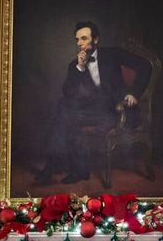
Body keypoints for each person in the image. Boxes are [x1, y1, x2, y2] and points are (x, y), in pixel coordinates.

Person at [35, 21, 152, 185]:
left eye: (84, 38)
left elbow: (145, 65)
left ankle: (55, 164)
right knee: (64, 108)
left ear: (95, 39)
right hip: (98, 110)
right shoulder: (75, 65)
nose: (79, 43)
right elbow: (68, 94)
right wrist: (80, 68)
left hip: (120, 109)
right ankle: (77, 169)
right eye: (77, 40)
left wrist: (134, 93)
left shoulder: (113, 54)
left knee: (66, 115)